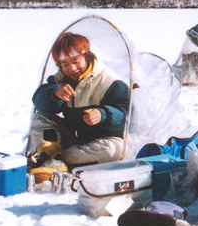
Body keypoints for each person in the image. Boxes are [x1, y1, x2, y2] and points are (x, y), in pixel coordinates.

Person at [29, 32, 130, 175]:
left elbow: (127, 117)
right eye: (65, 63)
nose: (71, 68)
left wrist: (103, 115)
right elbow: (40, 103)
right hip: (72, 138)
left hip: (101, 141)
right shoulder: (60, 79)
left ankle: (50, 159)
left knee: (115, 150)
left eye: (76, 61)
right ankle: (53, 159)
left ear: (86, 56)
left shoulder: (110, 82)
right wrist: (54, 94)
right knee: (40, 117)